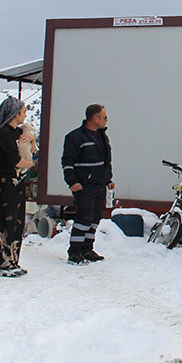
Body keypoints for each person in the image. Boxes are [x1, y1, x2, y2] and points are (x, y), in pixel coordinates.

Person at [60, 103, 114, 265]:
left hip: (99, 186)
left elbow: (106, 161)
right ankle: (74, 252)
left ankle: (87, 249)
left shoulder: (102, 137)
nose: (106, 120)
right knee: (84, 218)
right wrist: (72, 181)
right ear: (95, 119)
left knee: (95, 218)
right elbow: (67, 162)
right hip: (84, 186)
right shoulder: (75, 137)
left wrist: (108, 179)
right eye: (104, 117)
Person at [0, 97, 34, 277]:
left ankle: (13, 259)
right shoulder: (4, 135)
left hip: (17, 183)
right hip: (6, 183)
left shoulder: (16, 132)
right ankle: (2, 261)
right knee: (5, 221)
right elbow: (15, 160)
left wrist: (31, 138)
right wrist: (31, 164)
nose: (25, 116)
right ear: (15, 114)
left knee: (17, 222)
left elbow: (30, 147)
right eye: (23, 112)